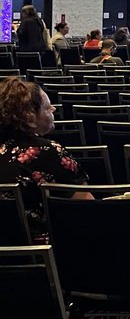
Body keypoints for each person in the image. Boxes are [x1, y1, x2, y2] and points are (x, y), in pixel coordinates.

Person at [0, 77, 90, 238]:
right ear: (30, 117)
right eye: (47, 108)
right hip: (48, 253)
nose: (54, 109)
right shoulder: (46, 151)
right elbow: (88, 207)